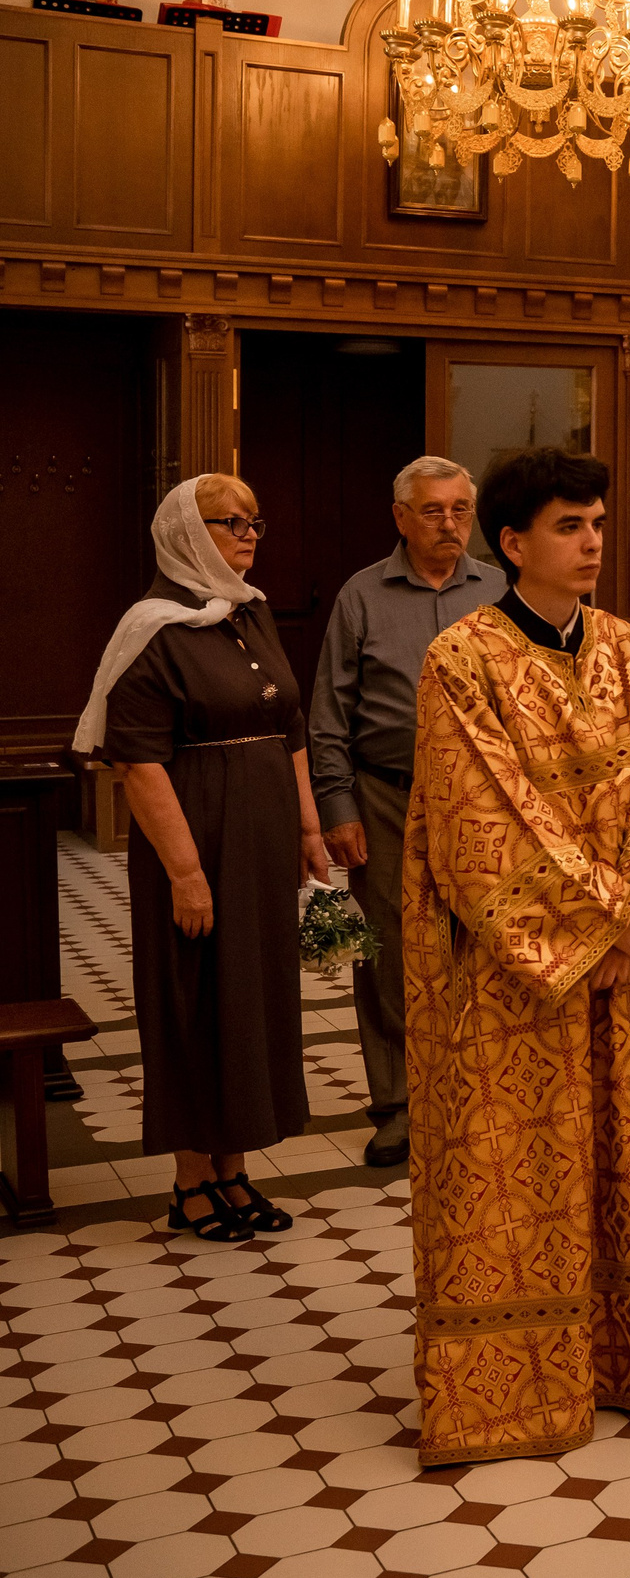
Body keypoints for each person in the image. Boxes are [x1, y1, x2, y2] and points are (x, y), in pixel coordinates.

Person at [403, 446, 630, 1465]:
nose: (591, 541)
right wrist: (601, 904)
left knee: (627, 1145)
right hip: (517, 963)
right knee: (519, 1160)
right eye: (567, 525)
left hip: (622, 946)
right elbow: (479, 813)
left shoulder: (629, 651)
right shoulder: (459, 659)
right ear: (512, 544)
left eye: (596, 523)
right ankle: (518, 1381)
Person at [72, 476, 330, 1244]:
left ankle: (233, 1168)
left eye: (256, 521)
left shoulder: (249, 614)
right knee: (196, 1002)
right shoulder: (151, 628)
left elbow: (290, 729)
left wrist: (309, 830)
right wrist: (186, 871)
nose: (250, 534)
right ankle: (190, 1182)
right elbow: (140, 765)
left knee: (250, 1002)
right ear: (187, 532)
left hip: (260, 844)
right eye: (231, 522)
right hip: (196, 844)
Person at [307, 456, 500, 1169]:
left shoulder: (501, 589)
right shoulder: (362, 595)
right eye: (432, 510)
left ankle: (476, 1095)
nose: (449, 524)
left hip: (482, 796)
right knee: (387, 947)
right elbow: (329, 709)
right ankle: (396, 1105)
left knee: (478, 945)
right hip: (386, 793)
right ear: (401, 517)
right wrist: (337, 804)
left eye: (459, 510)